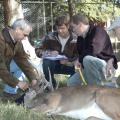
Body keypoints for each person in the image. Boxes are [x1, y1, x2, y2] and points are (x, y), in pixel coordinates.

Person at [67, 13, 118, 86]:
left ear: (80, 25)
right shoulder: (80, 38)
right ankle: (87, 95)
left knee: (87, 59)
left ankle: (96, 92)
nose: (73, 30)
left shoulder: (98, 31)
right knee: (71, 82)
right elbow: (81, 55)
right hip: (89, 67)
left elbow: (94, 51)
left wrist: (79, 60)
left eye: (73, 27)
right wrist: (78, 62)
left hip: (106, 66)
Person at [0, 19, 40, 100]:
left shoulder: (17, 42)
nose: (25, 38)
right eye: (25, 35)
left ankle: (8, 92)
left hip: (4, 65)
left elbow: (23, 60)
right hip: (1, 66)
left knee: (20, 65)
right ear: (17, 29)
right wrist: (17, 83)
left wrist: (33, 79)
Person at [35, 14, 78, 88]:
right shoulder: (50, 36)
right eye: (58, 28)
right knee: (46, 61)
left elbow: (79, 54)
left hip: (70, 65)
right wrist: (48, 53)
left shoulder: (75, 38)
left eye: (62, 28)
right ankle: (51, 86)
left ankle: (72, 86)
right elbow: (38, 50)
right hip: (54, 66)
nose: (60, 31)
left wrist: (69, 61)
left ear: (68, 27)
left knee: (80, 68)